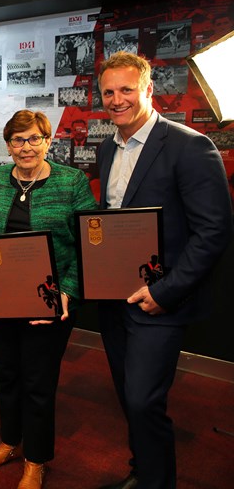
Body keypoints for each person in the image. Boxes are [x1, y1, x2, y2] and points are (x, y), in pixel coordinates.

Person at [96, 52, 232, 489]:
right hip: (113, 299)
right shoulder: (106, 147)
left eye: (126, 90)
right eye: (109, 92)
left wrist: (166, 292)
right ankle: (143, 471)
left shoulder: (189, 145)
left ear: (149, 90)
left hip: (159, 303)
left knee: (143, 400)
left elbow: (213, 231)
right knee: (127, 397)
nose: (117, 100)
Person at [0, 109, 97, 489]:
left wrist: (69, 292)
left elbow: (87, 246)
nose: (26, 147)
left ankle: (36, 459)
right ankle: (9, 441)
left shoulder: (71, 182)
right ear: (8, 145)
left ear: (48, 141)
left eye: (34, 138)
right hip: (1, 296)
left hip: (50, 298)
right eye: (18, 140)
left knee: (38, 381)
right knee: (6, 375)